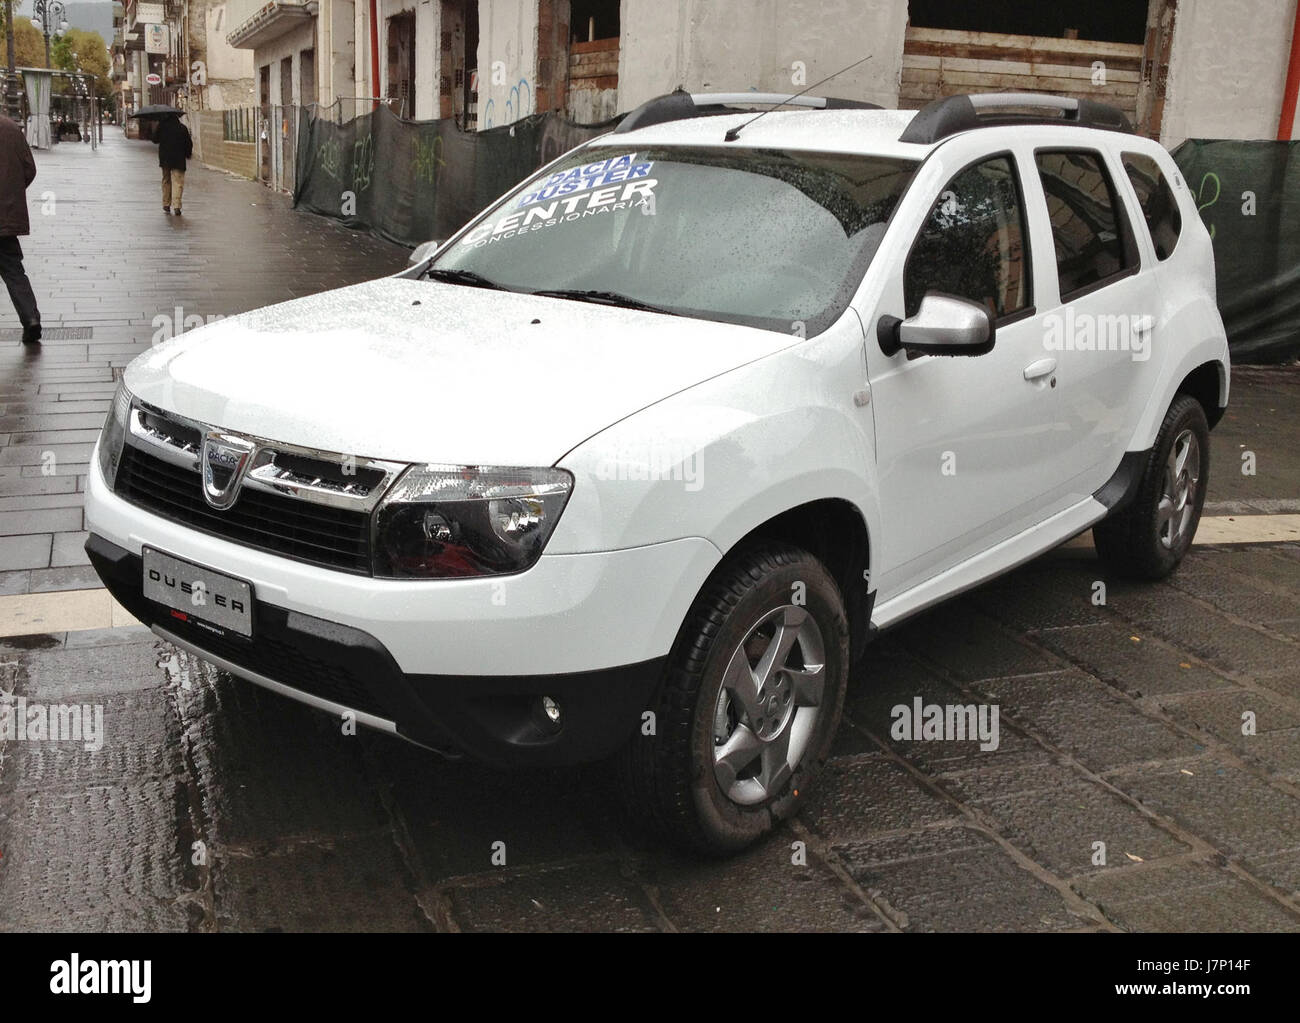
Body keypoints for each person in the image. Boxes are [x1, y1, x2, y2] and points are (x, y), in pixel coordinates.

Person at [0, 113, 41, 345]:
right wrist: (11, 193)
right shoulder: (10, 127)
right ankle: (31, 318)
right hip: (6, 214)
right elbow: (29, 168)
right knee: (14, 271)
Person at [154, 113, 193, 215]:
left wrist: (158, 127)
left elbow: (154, 139)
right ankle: (176, 206)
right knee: (178, 182)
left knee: (166, 180)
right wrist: (188, 154)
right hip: (178, 159)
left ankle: (166, 204)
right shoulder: (182, 128)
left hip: (165, 159)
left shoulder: (162, 127)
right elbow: (188, 144)